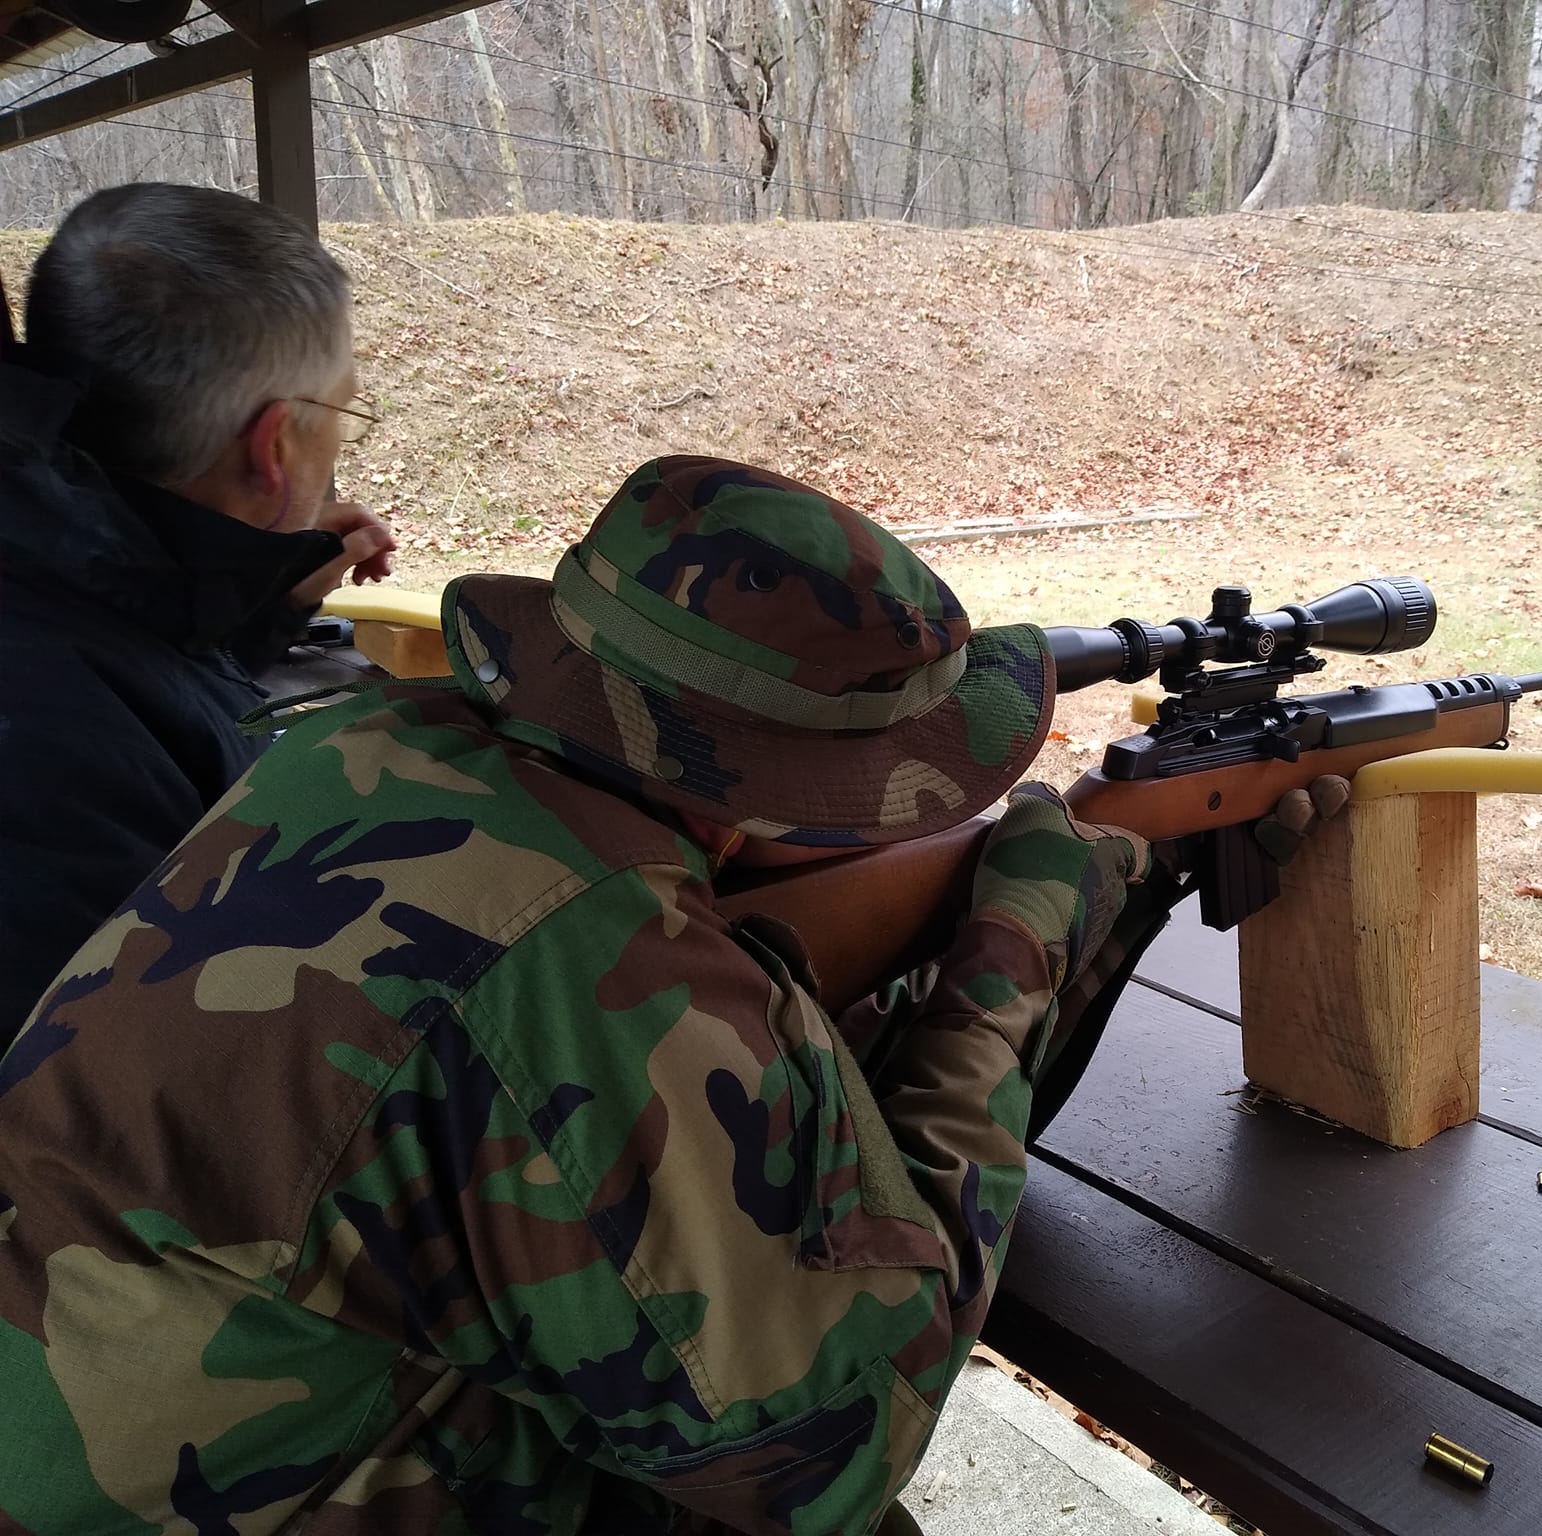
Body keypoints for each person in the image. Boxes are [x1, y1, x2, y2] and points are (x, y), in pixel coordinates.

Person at [0, 456, 1342, 1535]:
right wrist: (1020, 937)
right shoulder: (595, 952)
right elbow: (834, 1448)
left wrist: (1107, 884)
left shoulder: (367, 747)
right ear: (782, 796)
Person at [0, 182, 397, 1026]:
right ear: (277, 445)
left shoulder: (48, 552)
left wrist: (270, 597)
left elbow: (137, 665)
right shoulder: (64, 767)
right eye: (343, 408)